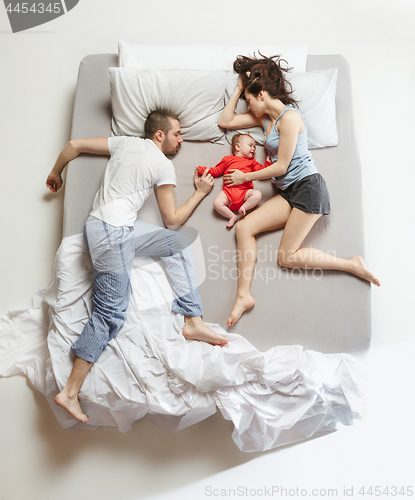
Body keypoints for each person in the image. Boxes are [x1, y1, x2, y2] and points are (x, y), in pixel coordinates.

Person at [46, 110, 229, 423]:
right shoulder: (162, 164)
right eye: (177, 134)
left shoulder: (125, 143)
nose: (181, 140)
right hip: (111, 234)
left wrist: (56, 173)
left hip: (113, 228)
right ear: (160, 135)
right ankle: (70, 391)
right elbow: (172, 219)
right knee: (111, 313)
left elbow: (74, 145)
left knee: (178, 245)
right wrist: (199, 193)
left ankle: (193, 320)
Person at [217, 54, 380, 327]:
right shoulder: (264, 120)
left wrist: (247, 175)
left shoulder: (290, 118)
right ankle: (243, 295)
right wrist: (238, 88)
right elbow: (226, 121)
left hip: (308, 189)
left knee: (287, 257)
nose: (248, 106)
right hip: (289, 193)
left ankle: (352, 264)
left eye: (248, 99)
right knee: (244, 228)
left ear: (262, 94)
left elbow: (281, 166)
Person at [197, 133, 271, 228]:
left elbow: (261, 172)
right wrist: (201, 170)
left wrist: (268, 163)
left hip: (244, 193)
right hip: (228, 193)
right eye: (250, 146)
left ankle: (244, 207)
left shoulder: (252, 162)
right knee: (216, 203)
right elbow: (216, 171)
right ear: (238, 147)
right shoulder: (227, 159)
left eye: (255, 147)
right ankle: (232, 216)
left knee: (258, 194)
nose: (253, 149)